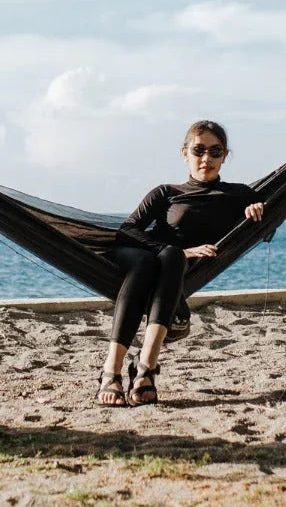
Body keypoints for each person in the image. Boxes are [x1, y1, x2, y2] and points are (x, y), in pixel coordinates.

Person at [97, 119, 265, 407]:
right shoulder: (166, 192)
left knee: (172, 257)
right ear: (184, 153)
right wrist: (182, 250)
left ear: (225, 156)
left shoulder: (240, 195)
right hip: (136, 254)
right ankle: (111, 370)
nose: (206, 158)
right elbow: (128, 231)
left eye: (215, 151)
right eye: (199, 150)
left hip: (171, 267)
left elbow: (267, 227)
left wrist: (256, 210)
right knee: (162, 258)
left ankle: (145, 367)